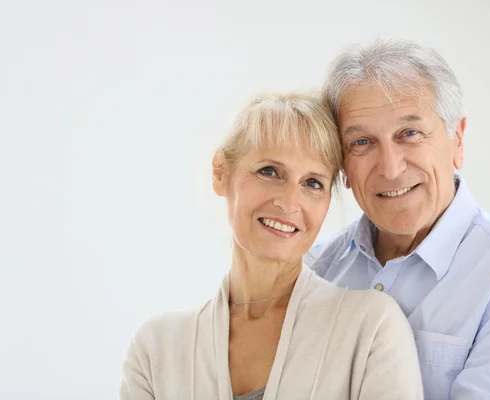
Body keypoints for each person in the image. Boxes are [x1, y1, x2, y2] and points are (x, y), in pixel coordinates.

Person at [305, 37, 490, 400]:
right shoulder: (314, 271)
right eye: (362, 143)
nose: (390, 167)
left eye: (410, 133)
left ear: (457, 141)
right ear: (342, 167)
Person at [119, 92, 423, 399]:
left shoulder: (371, 329)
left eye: (313, 183)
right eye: (269, 171)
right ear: (221, 172)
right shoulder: (156, 350)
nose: (290, 202)